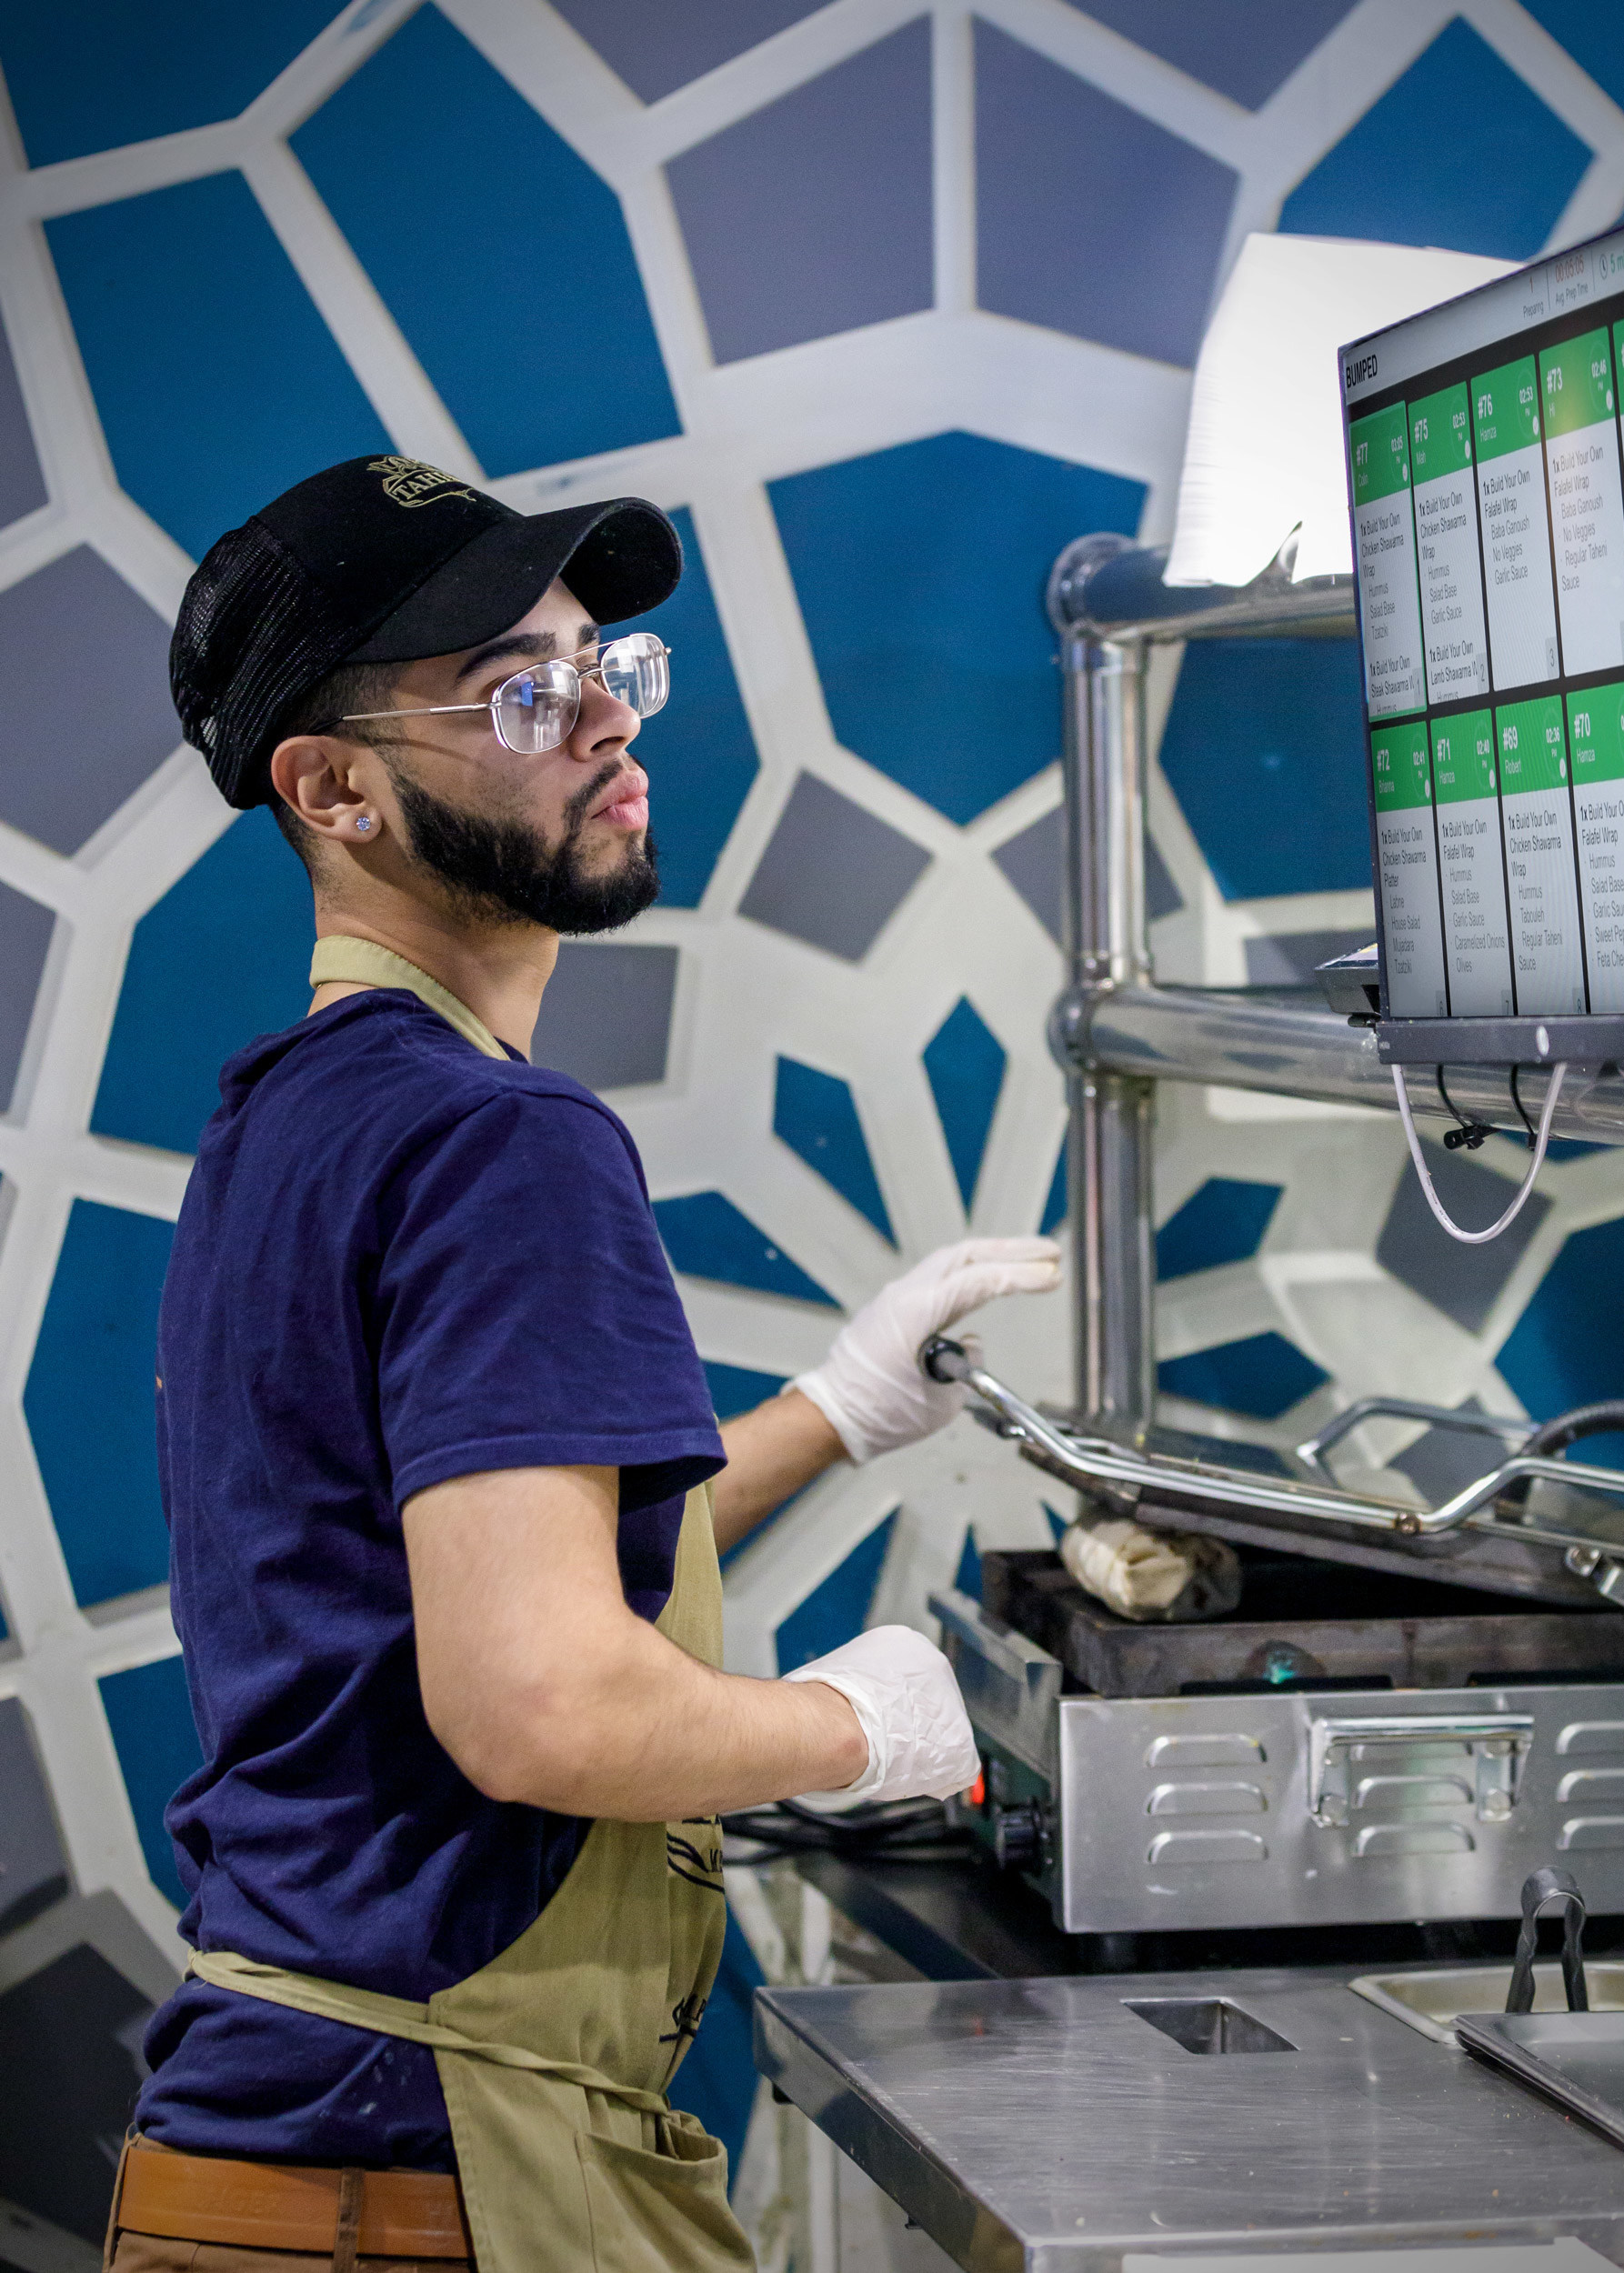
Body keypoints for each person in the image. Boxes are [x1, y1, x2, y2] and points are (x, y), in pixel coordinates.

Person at [108, 456, 1059, 2273]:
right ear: (335, 790)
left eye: (599, 665)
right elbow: (542, 1703)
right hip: (432, 2166)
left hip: (286, 2146)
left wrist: (835, 1414)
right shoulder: (501, 1141)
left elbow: (482, 1564)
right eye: (519, 695)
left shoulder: (291, 1117)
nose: (607, 718)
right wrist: (863, 1726)